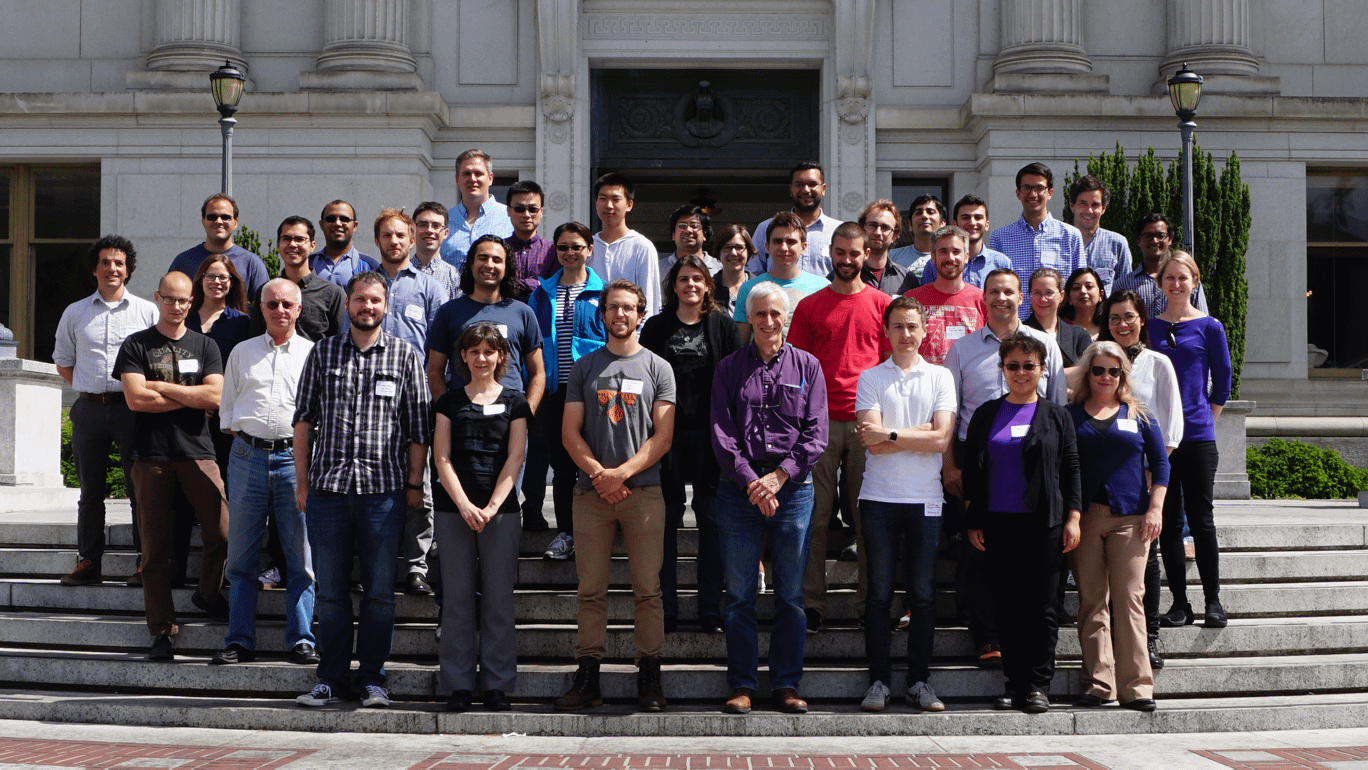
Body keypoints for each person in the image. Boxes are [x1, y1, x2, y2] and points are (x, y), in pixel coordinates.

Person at [292, 271, 432, 709]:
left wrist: (414, 484)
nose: (367, 307)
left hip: (383, 494)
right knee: (331, 593)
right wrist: (302, 481)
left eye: (374, 300)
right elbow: (303, 421)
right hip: (328, 491)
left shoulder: (406, 357)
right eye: (359, 300)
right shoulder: (323, 352)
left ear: (385, 306)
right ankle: (330, 679)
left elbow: (418, 430)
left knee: (378, 593)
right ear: (348, 304)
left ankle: (373, 678)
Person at [554, 280, 676, 713]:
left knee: (648, 591)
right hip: (591, 494)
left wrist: (620, 473)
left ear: (641, 313)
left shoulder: (659, 367)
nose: (620, 315)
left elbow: (662, 437)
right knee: (591, 591)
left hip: (642, 492)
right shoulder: (584, 367)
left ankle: (650, 678)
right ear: (601, 314)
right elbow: (570, 432)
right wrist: (599, 475)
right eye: (612, 308)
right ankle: (588, 678)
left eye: (628, 308)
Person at [711, 281, 828, 715]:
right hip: (738, 492)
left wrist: (777, 479)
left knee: (791, 596)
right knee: (740, 594)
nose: (768, 321)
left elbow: (816, 435)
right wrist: (751, 481)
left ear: (787, 318)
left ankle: (785, 683)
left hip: (792, 491)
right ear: (749, 318)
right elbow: (722, 435)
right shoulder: (728, 368)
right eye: (759, 314)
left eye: (775, 313)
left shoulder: (808, 367)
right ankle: (742, 684)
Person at [942, 268, 1066, 669]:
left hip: (1033, 459)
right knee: (978, 552)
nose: (1001, 298)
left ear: (1021, 298)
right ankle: (987, 637)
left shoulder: (1045, 345)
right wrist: (950, 464)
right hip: (978, 456)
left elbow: (1058, 409)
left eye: (1009, 291)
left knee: (1032, 558)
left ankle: (1032, 635)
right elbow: (951, 412)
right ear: (983, 298)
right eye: (993, 291)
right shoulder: (962, 350)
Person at [962, 332, 1081, 714]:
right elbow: (973, 471)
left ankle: (1038, 686)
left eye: (1029, 366)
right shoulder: (986, 414)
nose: (1020, 372)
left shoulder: (1057, 415)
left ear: (1042, 370)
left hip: (1044, 524)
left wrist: (1074, 518)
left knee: (1042, 608)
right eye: (1013, 365)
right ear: (1002, 369)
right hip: (998, 523)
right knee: (1008, 606)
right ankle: (1015, 685)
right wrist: (974, 517)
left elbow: (1071, 469)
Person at [114, 271, 230, 661]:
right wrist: (191, 396)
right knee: (154, 552)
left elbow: (215, 396)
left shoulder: (207, 344)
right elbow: (135, 400)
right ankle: (162, 631)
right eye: (170, 299)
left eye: (184, 301)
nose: (177, 307)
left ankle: (206, 594)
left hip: (198, 451)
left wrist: (160, 386)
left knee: (222, 534)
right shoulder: (136, 345)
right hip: (151, 457)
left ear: (192, 302)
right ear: (157, 297)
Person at [788, 222, 892, 634]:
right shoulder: (811, 306)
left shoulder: (884, 304)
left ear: (867, 254)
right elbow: (796, 370)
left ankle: (872, 603)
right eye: (841, 252)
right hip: (821, 423)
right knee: (814, 518)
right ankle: (812, 604)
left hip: (870, 421)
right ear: (830, 252)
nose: (847, 260)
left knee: (871, 519)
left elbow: (890, 368)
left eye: (855, 253)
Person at [853, 296, 955, 713]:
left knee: (924, 595)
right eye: (898, 326)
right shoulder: (871, 377)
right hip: (878, 498)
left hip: (926, 499)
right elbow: (870, 445)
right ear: (887, 330)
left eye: (913, 326)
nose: (906, 334)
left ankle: (918, 682)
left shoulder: (941, 377)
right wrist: (917, 433)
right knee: (878, 594)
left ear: (924, 329)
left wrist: (891, 434)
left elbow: (942, 440)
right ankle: (879, 681)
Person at [211, 278, 318, 667]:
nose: (280, 311)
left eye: (287, 305)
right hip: (247, 457)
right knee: (241, 557)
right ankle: (239, 639)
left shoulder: (313, 354)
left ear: (299, 309)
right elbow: (228, 410)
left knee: (301, 557)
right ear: (261, 308)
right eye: (272, 304)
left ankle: (302, 638)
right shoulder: (241, 352)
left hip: (296, 460)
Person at [432, 324, 531, 713]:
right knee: (456, 599)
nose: (481, 358)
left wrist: (490, 507)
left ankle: (497, 683)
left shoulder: (516, 401)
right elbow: (441, 457)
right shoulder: (449, 402)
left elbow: (516, 456)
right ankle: (457, 683)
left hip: (501, 511)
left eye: (489, 352)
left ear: (501, 357)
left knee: (498, 600)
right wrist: (465, 505)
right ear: (463, 357)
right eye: (473, 351)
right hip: (454, 508)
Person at [640, 254, 742, 633]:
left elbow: (734, 385)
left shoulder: (724, 326)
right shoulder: (655, 327)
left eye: (697, 279)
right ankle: (666, 607)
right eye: (683, 279)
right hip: (666, 436)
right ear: (674, 286)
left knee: (711, 520)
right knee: (665, 520)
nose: (690, 285)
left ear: (707, 286)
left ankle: (709, 609)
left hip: (711, 436)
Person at [1067, 341, 1168, 713]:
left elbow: (1162, 464)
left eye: (1113, 370)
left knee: (1129, 600)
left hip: (1132, 519)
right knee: (1092, 601)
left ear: (1123, 374)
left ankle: (1137, 686)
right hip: (1085, 517)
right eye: (1098, 370)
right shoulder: (1070, 414)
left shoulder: (1139, 414)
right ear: (1087, 374)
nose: (1105, 377)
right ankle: (1099, 682)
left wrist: (1155, 508)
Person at [54, 236, 158, 587]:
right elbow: (64, 363)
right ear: (94, 269)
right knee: (90, 491)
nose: (112, 268)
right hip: (89, 410)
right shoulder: (76, 312)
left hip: (133, 410)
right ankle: (88, 562)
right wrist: (90, 386)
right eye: (105, 262)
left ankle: (145, 562)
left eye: (119, 263)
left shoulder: (147, 312)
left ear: (128, 270)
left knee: (138, 489)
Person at [1097, 289, 1184, 670]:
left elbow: (1171, 424)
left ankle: (1148, 636)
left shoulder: (1158, 363)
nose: (1122, 324)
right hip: (1107, 481)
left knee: (1146, 561)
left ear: (1142, 319)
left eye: (1129, 316)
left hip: (1147, 476)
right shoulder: (1098, 363)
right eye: (1115, 317)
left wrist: (1153, 471)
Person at [1148, 251, 1232, 630]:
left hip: (1197, 436)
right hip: (1161, 439)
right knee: (1167, 519)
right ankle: (1180, 602)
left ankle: (1213, 599)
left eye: (1184, 278)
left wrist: (1201, 421)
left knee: (1202, 520)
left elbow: (1223, 381)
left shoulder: (1210, 326)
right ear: (1160, 282)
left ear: (1195, 282)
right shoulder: (1149, 327)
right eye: (1170, 278)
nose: (1176, 284)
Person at [373, 207, 447, 595]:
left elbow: (440, 348)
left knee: (421, 485)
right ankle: (379, 563)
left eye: (402, 235)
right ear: (377, 241)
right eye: (388, 235)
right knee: (376, 484)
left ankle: (416, 565)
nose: (395, 241)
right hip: (369, 400)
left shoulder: (430, 288)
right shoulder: (363, 284)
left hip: (416, 399)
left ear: (413, 237)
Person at [525, 222, 608, 552]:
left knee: (596, 464)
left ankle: (598, 531)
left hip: (592, 394)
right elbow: (530, 344)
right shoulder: (541, 293)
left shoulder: (604, 293)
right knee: (561, 467)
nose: (570, 253)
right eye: (563, 247)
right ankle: (567, 533)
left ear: (590, 249)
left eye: (577, 246)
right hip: (554, 392)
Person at [427, 235, 545, 404]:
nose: (489, 265)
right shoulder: (448, 312)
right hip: (463, 417)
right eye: (483, 258)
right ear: (471, 264)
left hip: (511, 417)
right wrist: (447, 412)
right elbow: (434, 372)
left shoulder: (523, 313)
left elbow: (538, 373)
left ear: (506, 268)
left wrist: (527, 412)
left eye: (497, 260)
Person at [987, 163, 1086, 320]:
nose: (1033, 194)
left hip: (1059, 325)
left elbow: (1079, 285)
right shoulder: (1000, 237)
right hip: (1016, 325)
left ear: (1050, 193)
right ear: (1018, 193)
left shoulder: (1071, 236)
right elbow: (993, 286)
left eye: (1039, 188)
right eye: (1026, 188)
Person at [186, 253, 251, 471]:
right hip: (185, 412)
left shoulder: (242, 324)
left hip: (225, 418)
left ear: (231, 283)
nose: (217, 282)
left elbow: (244, 372)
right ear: (200, 279)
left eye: (223, 277)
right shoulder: (184, 319)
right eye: (211, 276)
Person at [732, 212, 830, 344]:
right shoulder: (749, 288)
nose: (784, 248)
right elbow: (740, 346)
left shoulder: (823, 287)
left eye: (791, 242)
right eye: (778, 241)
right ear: (767, 246)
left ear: (803, 247)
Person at [248, 216, 347, 342]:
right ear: (278, 245)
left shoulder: (332, 293)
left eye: (300, 239)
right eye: (286, 239)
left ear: (312, 245)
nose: (292, 244)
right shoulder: (266, 291)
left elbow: (336, 343)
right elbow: (256, 339)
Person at [906, 225, 987, 366]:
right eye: (943, 252)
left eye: (956, 252)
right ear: (933, 257)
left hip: (968, 384)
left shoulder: (982, 300)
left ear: (966, 257)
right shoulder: (912, 300)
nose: (950, 258)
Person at [749, 162, 844, 277]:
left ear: (823, 189)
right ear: (791, 189)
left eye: (812, 184)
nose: (806, 190)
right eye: (799, 185)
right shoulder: (766, 228)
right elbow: (752, 275)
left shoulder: (839, 231)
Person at [168, 193, 269, 300]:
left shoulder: (252, 264)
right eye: (212, 217)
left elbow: (264, 307)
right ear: (203, 221)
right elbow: (169, 302)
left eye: (225, 217)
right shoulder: (183, 262)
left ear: (235, 222)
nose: (218, 221)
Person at [589, 173, 662, 318]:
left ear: (629, 204)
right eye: (603, 199)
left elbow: (650, 300)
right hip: (591, 334)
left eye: (616, 199)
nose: (608, 205)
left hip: (629, 334)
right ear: (596, 202)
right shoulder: (586, 246)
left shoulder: (642, 247)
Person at [1114, 213, 1209, 317]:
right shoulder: (1123, 284)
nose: (1154, 240)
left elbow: (1203, 322)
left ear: (1170, 239)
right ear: (1138, 241)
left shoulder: (1188, 280)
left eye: (1160, 236)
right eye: (1148, 236)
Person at [440, 149, 514, 268]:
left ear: (490, 178)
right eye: (466, 173)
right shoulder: (443, 221)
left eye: (478, 173)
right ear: (457, 179)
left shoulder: (510, 217)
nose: (472, 179)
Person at [924, 195, 1011, 288]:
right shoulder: (935, 265)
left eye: (978, 217)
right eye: (965, 217)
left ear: (987, 225)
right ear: (955, 224)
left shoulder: (1001, 263)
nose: (972, 223)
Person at [1068, 175, 1132, 295]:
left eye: (1095, 205)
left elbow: (1126, 290)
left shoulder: (1117, 244)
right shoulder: (1059, 242)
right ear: (1072, 205)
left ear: (1103, 209)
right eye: (1083, 203)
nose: (1089, 210)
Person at [1024, 268, 1091, 367]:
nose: (1043, 299)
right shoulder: (1020, 333)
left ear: (1062, 295)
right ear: (1030, 296)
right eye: (1037, 293)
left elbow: (1088, 373)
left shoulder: (1079, 336)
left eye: (1049, 293)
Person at [504, 180, 557, 298]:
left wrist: (512, 284)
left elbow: (554, 285)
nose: (526, 215)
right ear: (508, 211)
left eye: (533, 209)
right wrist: (536, 283)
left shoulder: (553, 250)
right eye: (519, 209)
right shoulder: (499, 249)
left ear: (541, 212)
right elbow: (498, 284)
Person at [310, 200, 380, 288]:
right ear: (321, 225)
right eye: (330, 219)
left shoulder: (370, 266)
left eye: (344, 219)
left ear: (355, 226)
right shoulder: (308, 263)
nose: (337, 223)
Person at [855, 200, 919, 296]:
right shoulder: (846, 273)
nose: (878, 232)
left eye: (885, 227)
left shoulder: (907, 279)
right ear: (862, 229)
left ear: (895, 235)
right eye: (872, 225)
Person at [412, 202, 462, 301]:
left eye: (436, 226)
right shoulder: (400, 272)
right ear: (413, 230)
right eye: (423, 225)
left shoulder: (454, 277)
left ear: (446, 233)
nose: (429, 230)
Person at [888, 195, 946, 275]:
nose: (924, 216)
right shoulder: (892, 257)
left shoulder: (950, 258)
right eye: (918, 213)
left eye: (930, 212)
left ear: (942, 223)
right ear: (910, 225)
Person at [659, 204, 721, 277]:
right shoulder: (657, 268)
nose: (688, 230)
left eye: (694, 226)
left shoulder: (720, 268)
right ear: (673, 235)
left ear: (704, 235)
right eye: (682, 226)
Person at [712, 224, 755, 318]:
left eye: (739, 247)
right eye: (727, 247)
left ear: (748, 251)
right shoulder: (708, 289)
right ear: (719, 252)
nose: (733, 253)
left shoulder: (760, 287)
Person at [1061, 267, 1104, 340]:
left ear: (1101, 294)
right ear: (1068, 297)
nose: (1083, 291)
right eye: (1076, 288)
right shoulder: (1060, 327)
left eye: (1089, 286)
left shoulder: (1110, 328)